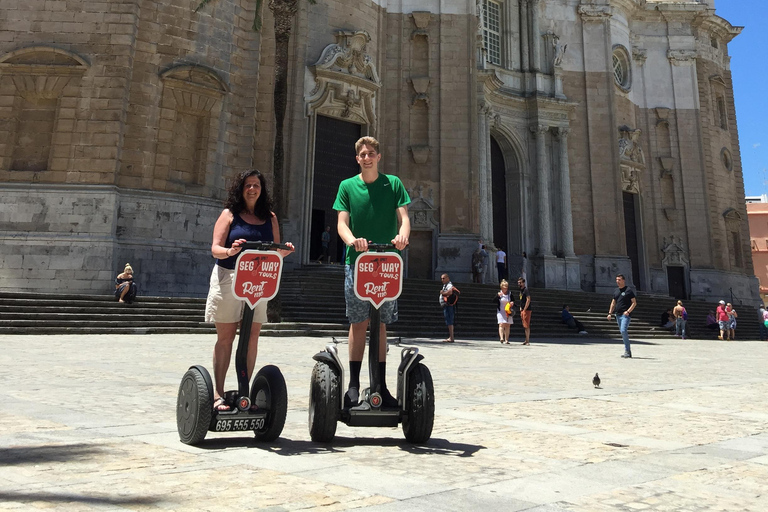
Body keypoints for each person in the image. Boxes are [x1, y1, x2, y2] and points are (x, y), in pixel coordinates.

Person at [204, 169, 295, 412]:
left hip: (257, 283)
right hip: (229, 277)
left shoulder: (271, 217)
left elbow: (275, 250)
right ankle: (218, 394)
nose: (252, 189)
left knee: (252, 336)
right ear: (240, 189)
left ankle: (244, 392)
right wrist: (230, 251)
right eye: (247, 185)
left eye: (256, 185)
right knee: (226, 337)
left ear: (262, 189)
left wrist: (283, 251)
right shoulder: (229, 215)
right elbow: (215, 248)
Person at [333, 136, 410, 409]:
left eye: (371, 153)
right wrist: (352, 240)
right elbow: (342, 222)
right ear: (357, 159)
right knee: (358, 322)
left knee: (381, 324)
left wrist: (402, 236)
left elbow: (404, 218)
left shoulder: (394, 183)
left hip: (388, 263)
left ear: (378, 157)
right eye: (362, 154)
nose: (366, 157)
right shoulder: (346, 186)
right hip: (357, 262)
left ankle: (381, 385)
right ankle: (353, 386)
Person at [607, 274, 637, 358]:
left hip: (625, 315)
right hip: (618, 314)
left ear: (623, 280)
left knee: (623, 330)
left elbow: (634, 302)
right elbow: (613, 303)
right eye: (616, 280)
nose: (617, 281)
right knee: (622, 332)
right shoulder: (616, 291)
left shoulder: (628, 290)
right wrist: (610, 313)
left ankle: (627, 350)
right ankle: (627, 351)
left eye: (619, 280)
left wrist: (628, 311)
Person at [494, 279, 515, 344]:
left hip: (508, 311)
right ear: (501, 287)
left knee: (507, 325)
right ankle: (501, 338)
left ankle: (507, 339)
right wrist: (497, 296)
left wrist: (512, 303)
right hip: (500, 311)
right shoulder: (499, 293)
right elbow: (493, 301)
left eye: (506, 287)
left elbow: (513, 301)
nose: (505, 288)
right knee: (501, 324)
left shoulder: (510, 294)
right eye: (504, 287)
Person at [439, 273, 456, 343]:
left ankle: (451, 337)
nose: (442, 280)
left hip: (448, 305)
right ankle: (450, 337)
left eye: (444, 278)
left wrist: (443, 293)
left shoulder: (449, 285)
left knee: (449, 321)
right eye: (441, 278)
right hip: (446, 305)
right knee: (448, 320)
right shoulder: (445, 285)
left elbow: (450, 292)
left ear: (448, 278)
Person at [517, 277, 531, 345]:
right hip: (522, 309)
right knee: (524, 325)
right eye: (518, 282)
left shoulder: (526, 290)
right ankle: (526, 340)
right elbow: (521, 300)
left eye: (520, 283)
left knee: (526, 325)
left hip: (527, 310)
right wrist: (520, 307)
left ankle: (527, 340)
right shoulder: (521, 290)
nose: (518, 284)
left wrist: (525, 308)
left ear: (523, 283)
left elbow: (528, 299)